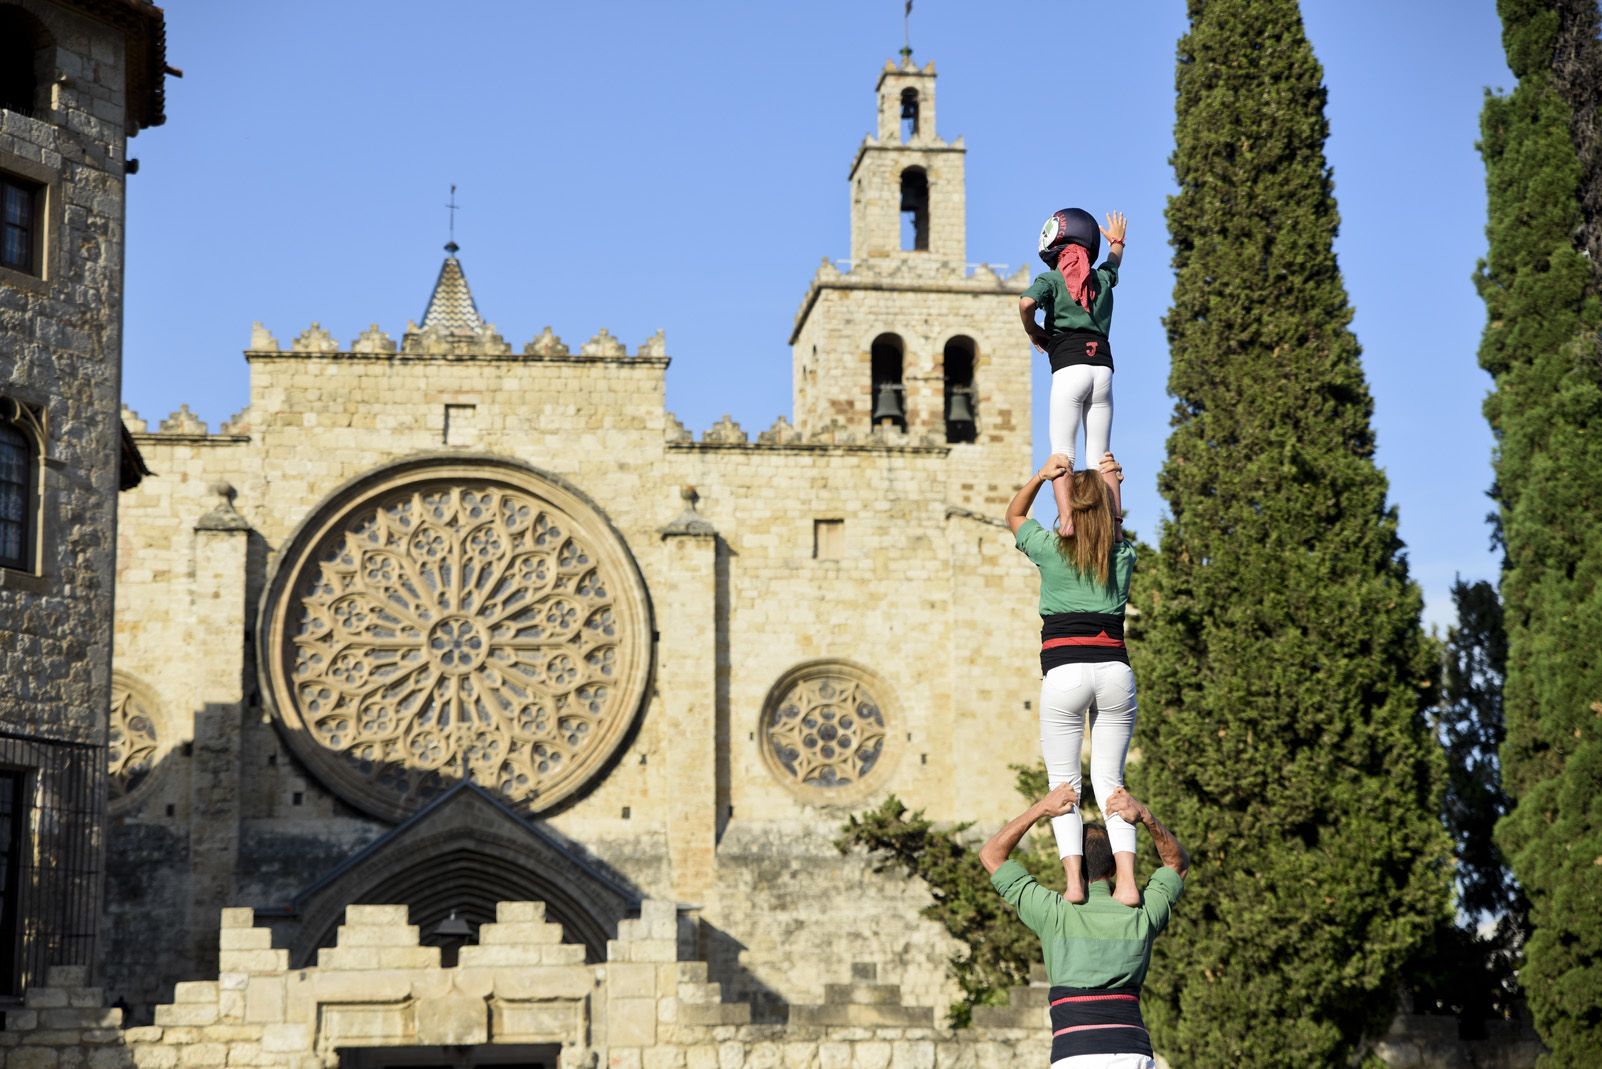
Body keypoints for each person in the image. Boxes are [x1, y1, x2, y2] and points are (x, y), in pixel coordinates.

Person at [1005, 451, 1139, 905]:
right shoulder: (1122, 555)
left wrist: (1043, 477)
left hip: (1065, 674)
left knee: (1064, 785)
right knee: (1111, 782)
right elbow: (1114, 527)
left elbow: (1014, 515)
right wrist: (1112, 482)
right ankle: (1126, 881)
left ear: (1069, 510)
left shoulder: (1050, 548)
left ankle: (1075, 883)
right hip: (1115, 672)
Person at [980, 782, 1190, 1069]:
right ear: (1115, 867)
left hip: (1074, 1055)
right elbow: (1177, 864)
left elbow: (991, 855)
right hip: (1133, 1054)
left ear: (1071, 864)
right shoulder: (1141, 913)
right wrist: (1144, 815)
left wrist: (1042, 808)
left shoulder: (1054, 913)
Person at [1019, 208, 1127, 536]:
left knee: (1063, 452)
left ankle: (1067, 521)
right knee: (1101, 456)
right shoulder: (1100, 279)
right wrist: (1117, 241)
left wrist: (1033, 330)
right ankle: (1115, 528)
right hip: (1102, 370)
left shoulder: (1051, 280)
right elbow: (1113, 263)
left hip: (1069, 367)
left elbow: (1025, 303)